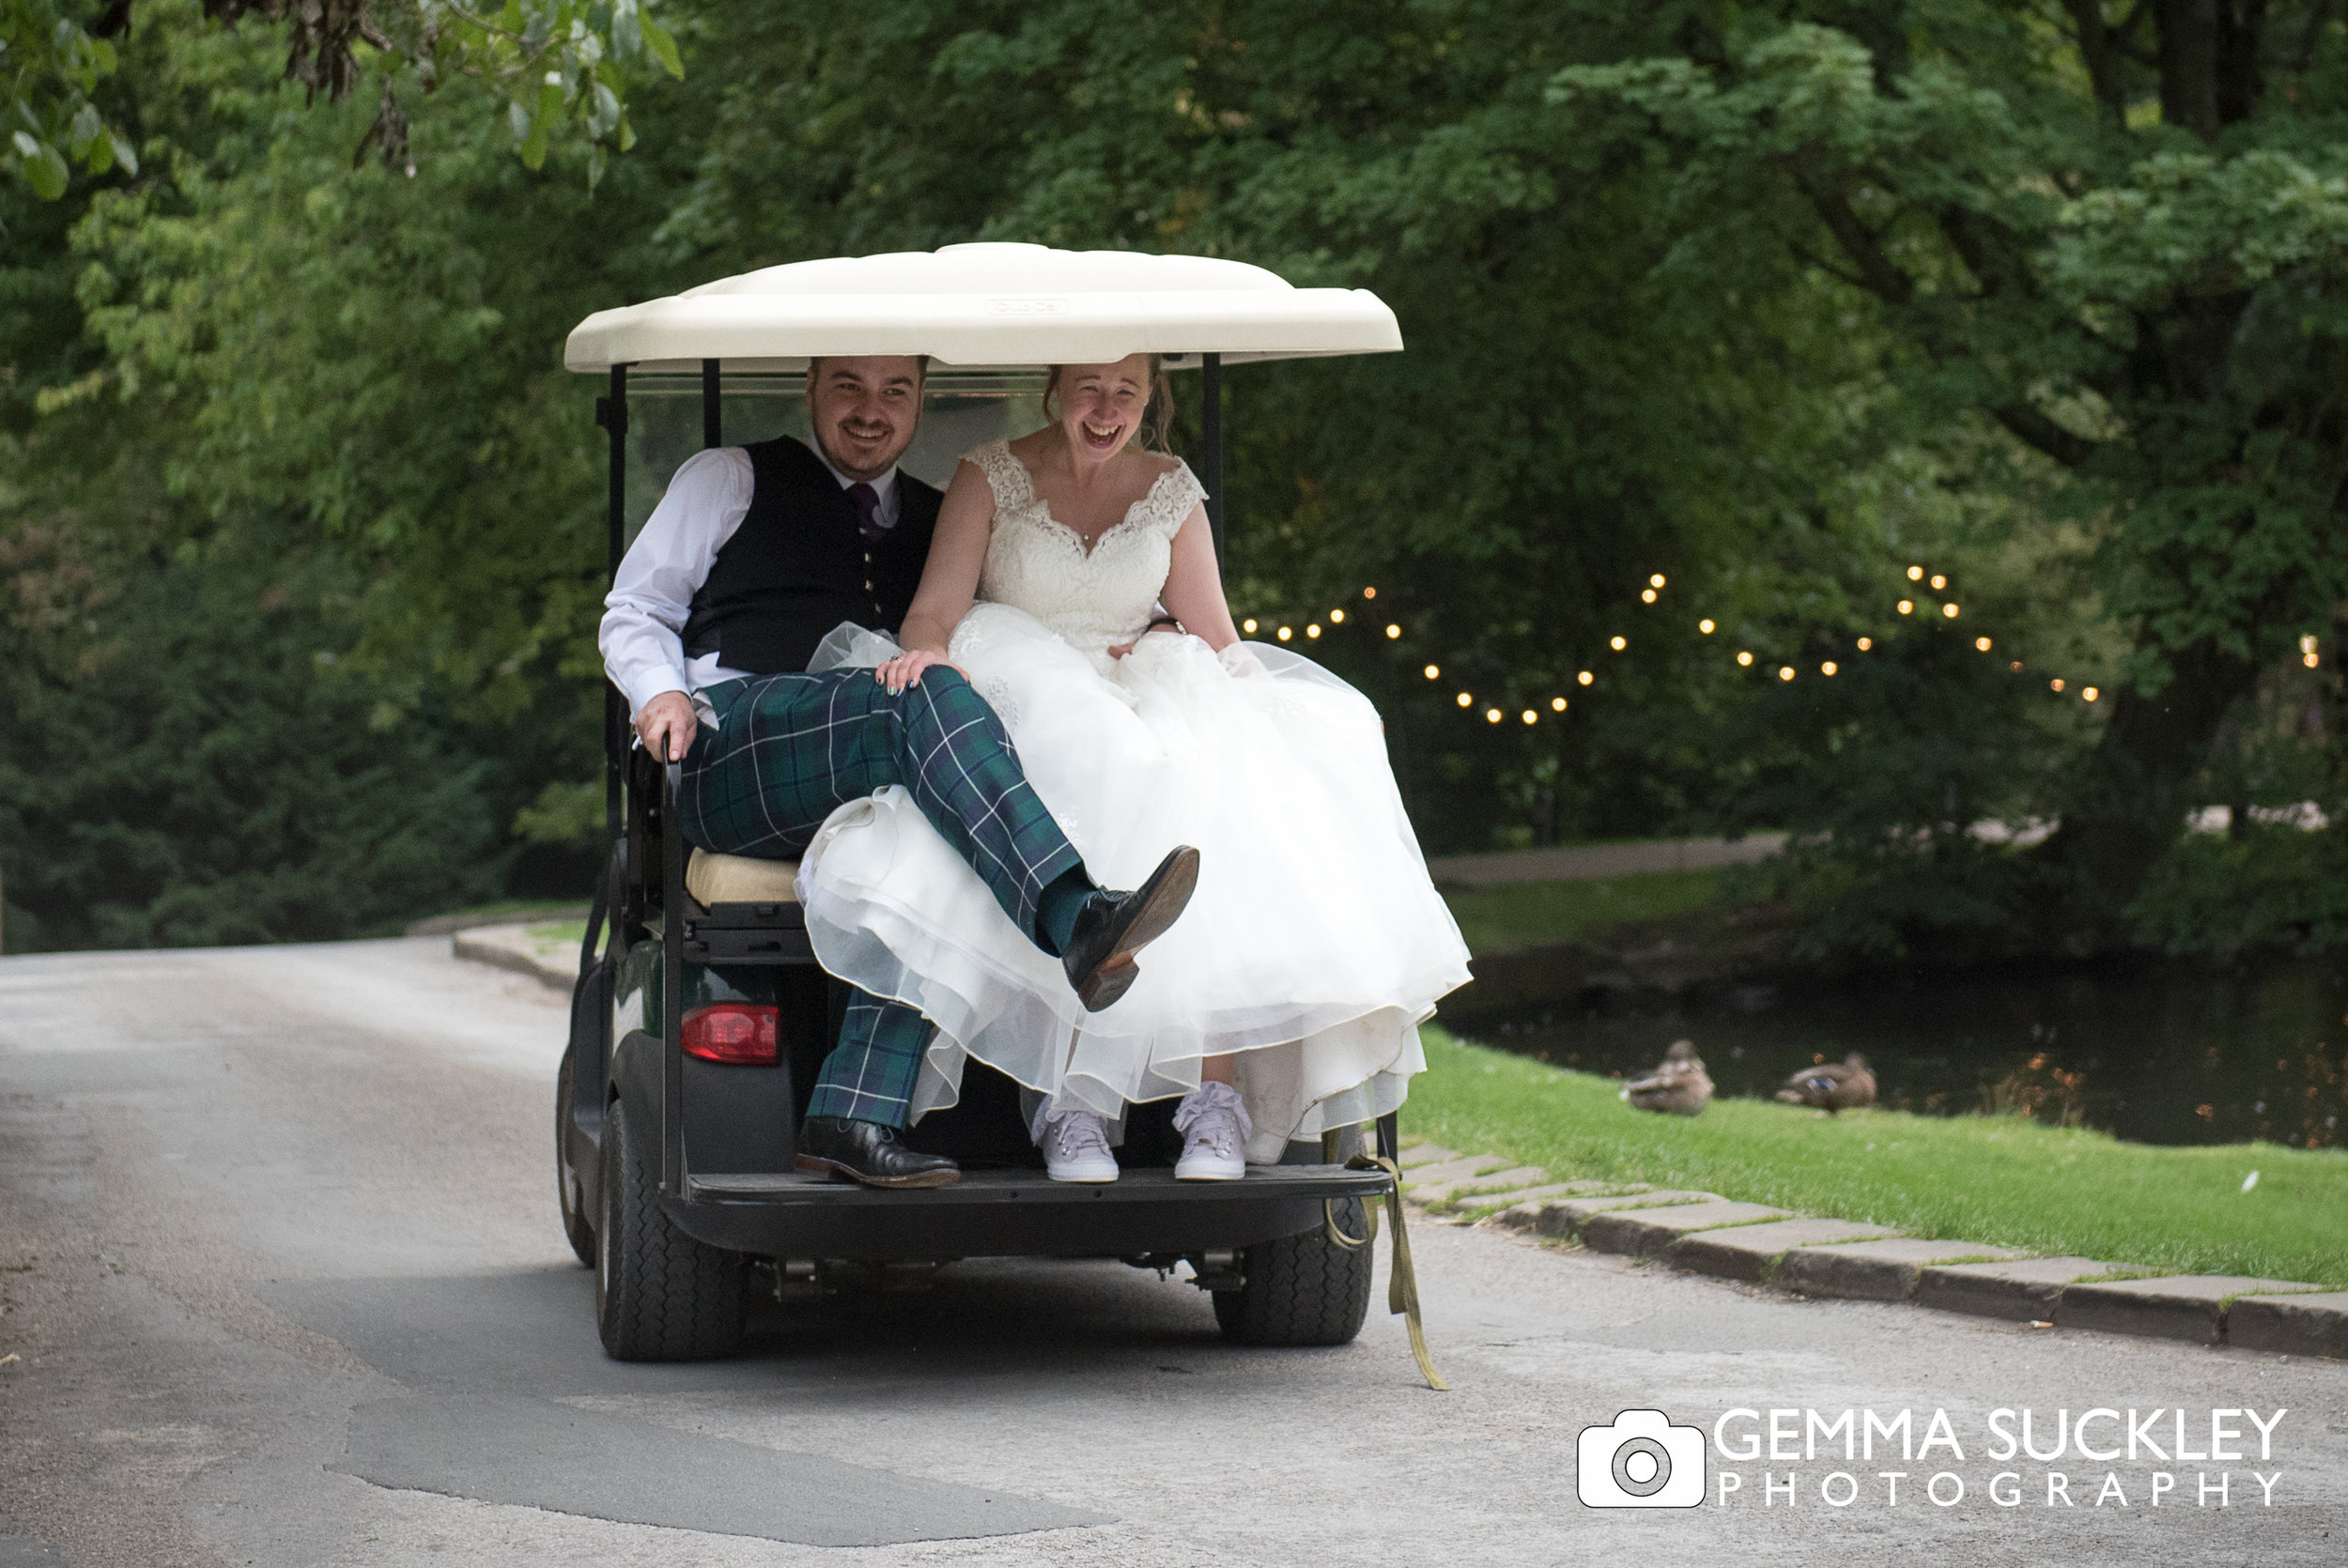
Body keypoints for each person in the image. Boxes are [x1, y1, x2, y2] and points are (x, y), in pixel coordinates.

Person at [794, 354, 1473, 1183]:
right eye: (1089, 389)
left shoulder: (1171, 490)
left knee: (1210, 782)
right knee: (1102, 762)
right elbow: (934, 609)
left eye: (1126, 392)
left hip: (1135, 687)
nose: (1106, 409)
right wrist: (932, 660)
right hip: (1022, 686)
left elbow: (1215, 632)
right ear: (1054, 387)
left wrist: (1231, 684)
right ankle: (1074, 1103)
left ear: (1151, 397)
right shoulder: (992, 475)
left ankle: (1213, 1102)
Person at [598, 355, 1199, 1191]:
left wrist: (1164, 628)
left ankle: (853, 1111)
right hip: (734, 747)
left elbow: (1037, 612)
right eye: (849, 386)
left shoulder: (938, 512)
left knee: (922, 857)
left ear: (920, 402)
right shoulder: (731, 477)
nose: (871, 412)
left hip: (882, 777)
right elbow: (637, 608)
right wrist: (659, 692)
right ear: (809, 387)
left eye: (895, 392)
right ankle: (1076, 919)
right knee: (918, 690)